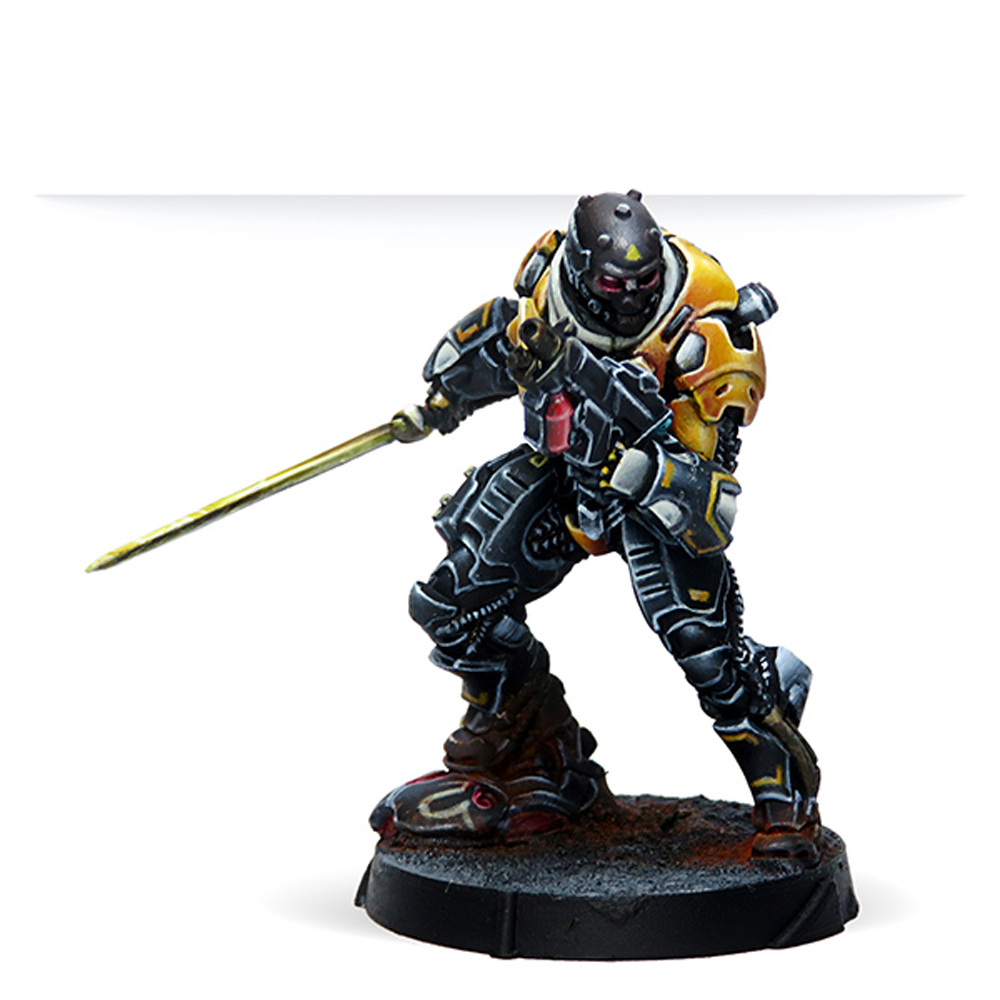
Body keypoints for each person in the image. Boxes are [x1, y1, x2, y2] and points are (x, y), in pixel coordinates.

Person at [370, 191, 821, 864]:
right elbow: (504, 339)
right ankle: (529, 744)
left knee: (702, 645)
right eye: (612, 286)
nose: (629, 298)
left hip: (654, 488)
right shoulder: (552, 289)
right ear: (582, 273)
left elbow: (713, 501)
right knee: (456, 601)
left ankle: (780, 787)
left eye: (642, 284)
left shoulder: (707, 330)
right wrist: (441, 403)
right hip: (565, 473)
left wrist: (638, 467)